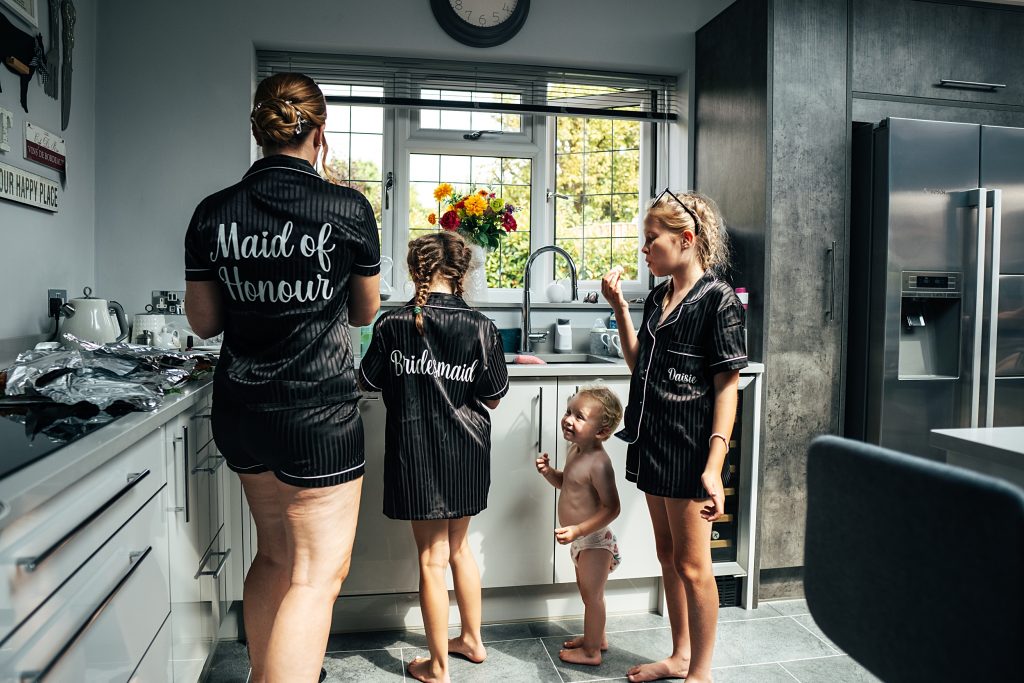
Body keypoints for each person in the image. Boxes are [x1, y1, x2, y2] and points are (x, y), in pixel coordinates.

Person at [184, 72, 381, 683]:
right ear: (318, 134)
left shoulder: (213, 212)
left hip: (242, 412)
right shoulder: (348, 208)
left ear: (261, 132)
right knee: (317, 573)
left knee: (273, 553)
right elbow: (364, 312)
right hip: (317, 415)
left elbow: (205, 322)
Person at [601, 189, 746, 683]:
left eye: (650, 240)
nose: (644, 250)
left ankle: (700, 672)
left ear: (685, 240)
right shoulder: (660, 297)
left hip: (690, 452)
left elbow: (728, 388)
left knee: (694, 565)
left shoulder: (718, 301)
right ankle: (680, 655)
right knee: (668, 557)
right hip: (651, 442)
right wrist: (620, 307)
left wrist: (714, 464)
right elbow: (640, 362)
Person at [358, 232, 509, 683]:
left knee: (431, 558)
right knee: (459, 548)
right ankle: (473, 641)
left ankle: (439, 666)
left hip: (417, 452)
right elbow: (494, 397)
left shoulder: (392, 324)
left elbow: (369, 380)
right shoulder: (482, 326)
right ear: (461, 273)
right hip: (467, 451)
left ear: (414, 270)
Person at [535, 385, 623, 667]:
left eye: (579, 416)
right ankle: (597, 638)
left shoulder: (599, 463)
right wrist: (550, 473)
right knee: (588, 594)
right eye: (568, 411)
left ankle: (591, 652)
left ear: (601, 431)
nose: (568, 419)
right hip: (580, 540)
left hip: (595, 541)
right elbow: (567, 484)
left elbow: (613, 508)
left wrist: (578, 530)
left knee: (593, 596)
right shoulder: (575, 450)